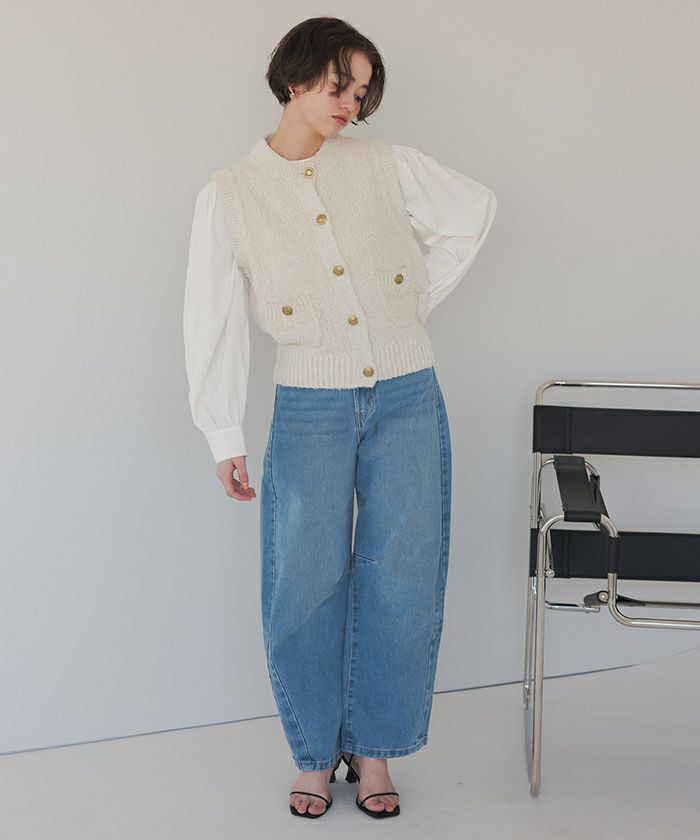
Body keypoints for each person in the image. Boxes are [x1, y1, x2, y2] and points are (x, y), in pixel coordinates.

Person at [183, 16, 497, 820]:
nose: (350, 104)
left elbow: (475, 211)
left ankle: (375, 749)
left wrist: (408, 302)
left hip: (408, 394)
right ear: (296, 77)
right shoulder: (231, 193)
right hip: (309, 407)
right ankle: (315, 754)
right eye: (338, 85)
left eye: (361, 92)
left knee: (403, 575)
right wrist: (223, 431)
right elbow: (212, 318)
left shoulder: (387, 166)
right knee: (304, 581)